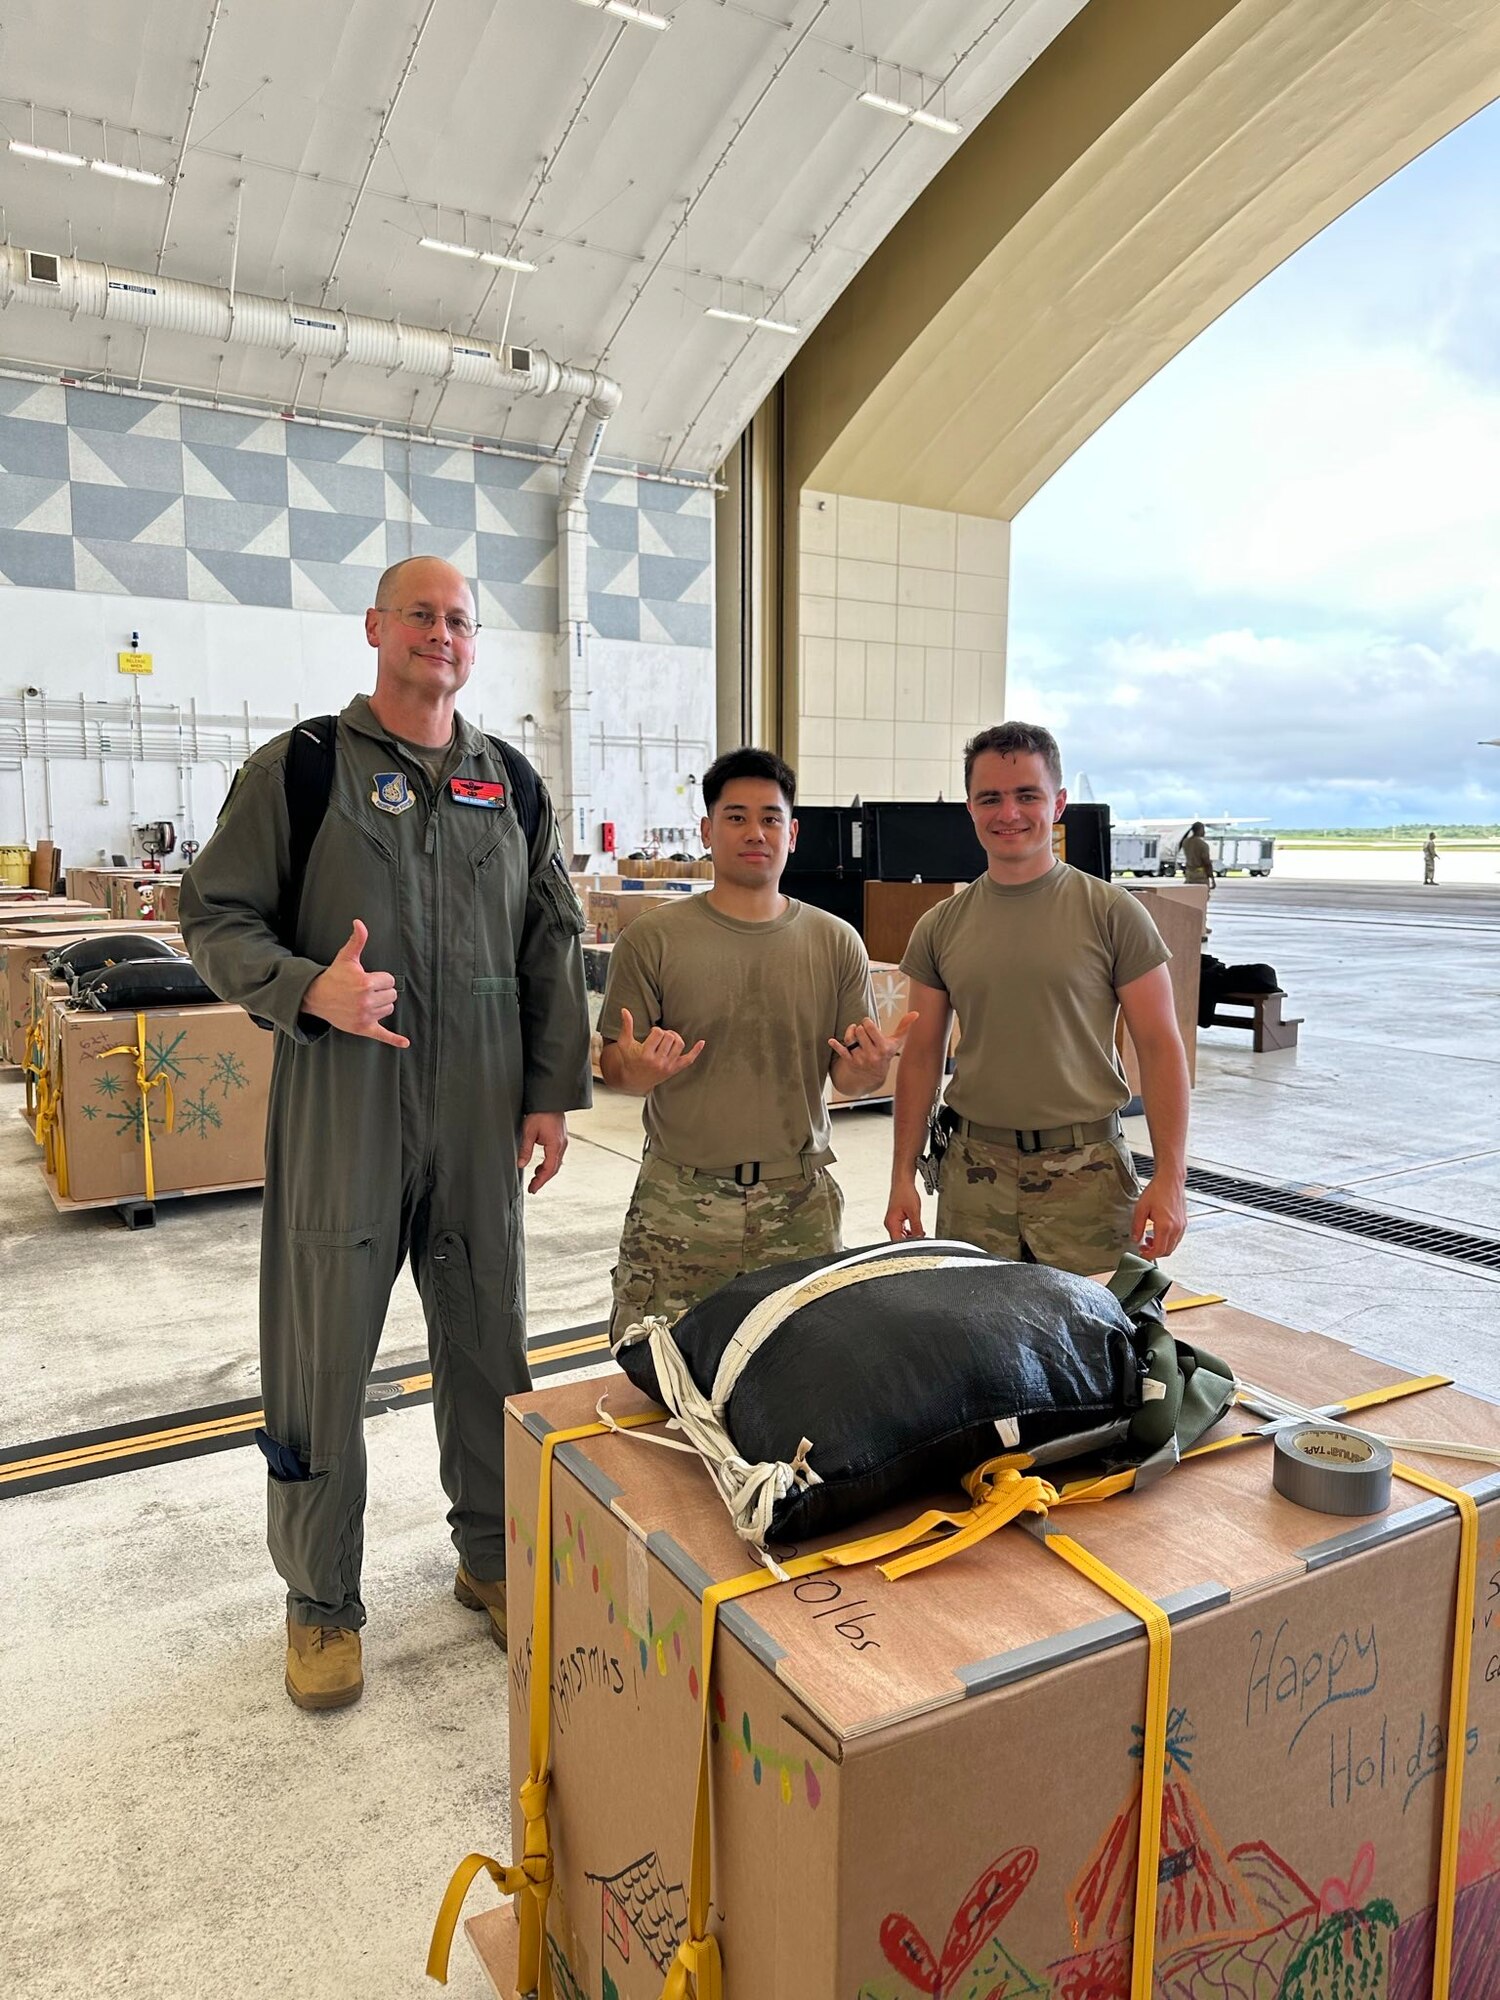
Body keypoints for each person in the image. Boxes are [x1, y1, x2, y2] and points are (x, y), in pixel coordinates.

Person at [180, 556, 590, 1711]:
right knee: (320, 1358)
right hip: (343, 1107)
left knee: (489, 1346)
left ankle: (493, 1554)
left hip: (476, 1117)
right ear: (375, 627)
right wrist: (308, 987)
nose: (441, 633)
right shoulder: (303, 769)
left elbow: (551, 936)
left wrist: (547, 1092)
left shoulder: (507, 781)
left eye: (459, 619)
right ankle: (320, 1602)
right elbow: (210, 914)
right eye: (420, 613)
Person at [598, 747, 913, 1339]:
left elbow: (848, 1077)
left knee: (798, 1376)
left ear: (792, 833)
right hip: (680, 1200)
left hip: (800, 1202)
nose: (755, 832)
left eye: (770, 818)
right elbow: (617, 1066)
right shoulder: (653, 939)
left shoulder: (836, 941)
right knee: (659, 1374)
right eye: (736, 816)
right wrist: (639, 1070)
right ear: (707, 830)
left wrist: (871, 1071)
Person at [885, 720, 1190, 1274]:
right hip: (974, 1179)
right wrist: (902, 1176)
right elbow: (922, 1055)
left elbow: (1161, 1045)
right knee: (977, 1349)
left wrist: (1171, 1176)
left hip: (1087, 1179)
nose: (1009, 814)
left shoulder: (1113, 914)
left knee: (1093, 1351)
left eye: (1028, 795)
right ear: (970, 809)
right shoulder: (940, 926)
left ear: (1059, 804)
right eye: (990, 798)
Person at [1180, 820, 1216, 893]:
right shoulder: (1203, 845)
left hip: (1189, 874)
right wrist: (1212, 878)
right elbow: (1206, 862)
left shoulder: (1185, 842)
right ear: (1199, 830)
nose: (1204, 832)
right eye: (1203, 829)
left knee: (1191, 896)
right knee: (1202, 897)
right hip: (1200, 876)